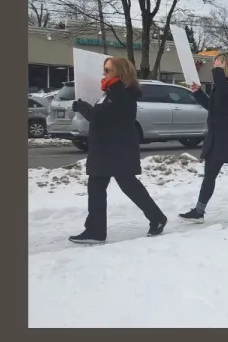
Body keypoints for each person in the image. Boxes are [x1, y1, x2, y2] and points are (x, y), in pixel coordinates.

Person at [68, 56, 168, 243]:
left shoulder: (121, 93)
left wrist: (81, 106)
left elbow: (98, 117)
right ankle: (95, 231)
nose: (104, 73)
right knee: (97, 187)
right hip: (106, 149)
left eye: (108, 70)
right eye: (104, 69)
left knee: (130, 187)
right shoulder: (110, 91)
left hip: (118, 150)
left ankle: (157, 218)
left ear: (120, 72)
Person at [180, 52, 228, 223]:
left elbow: (224, 90)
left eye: (217, 62)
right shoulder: (221, 84)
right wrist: (198, 93)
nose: (214, 64)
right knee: (209, 175)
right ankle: (199, 211)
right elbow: (212, 106)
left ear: (226, 63)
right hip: (217, 137)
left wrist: (217, 73)